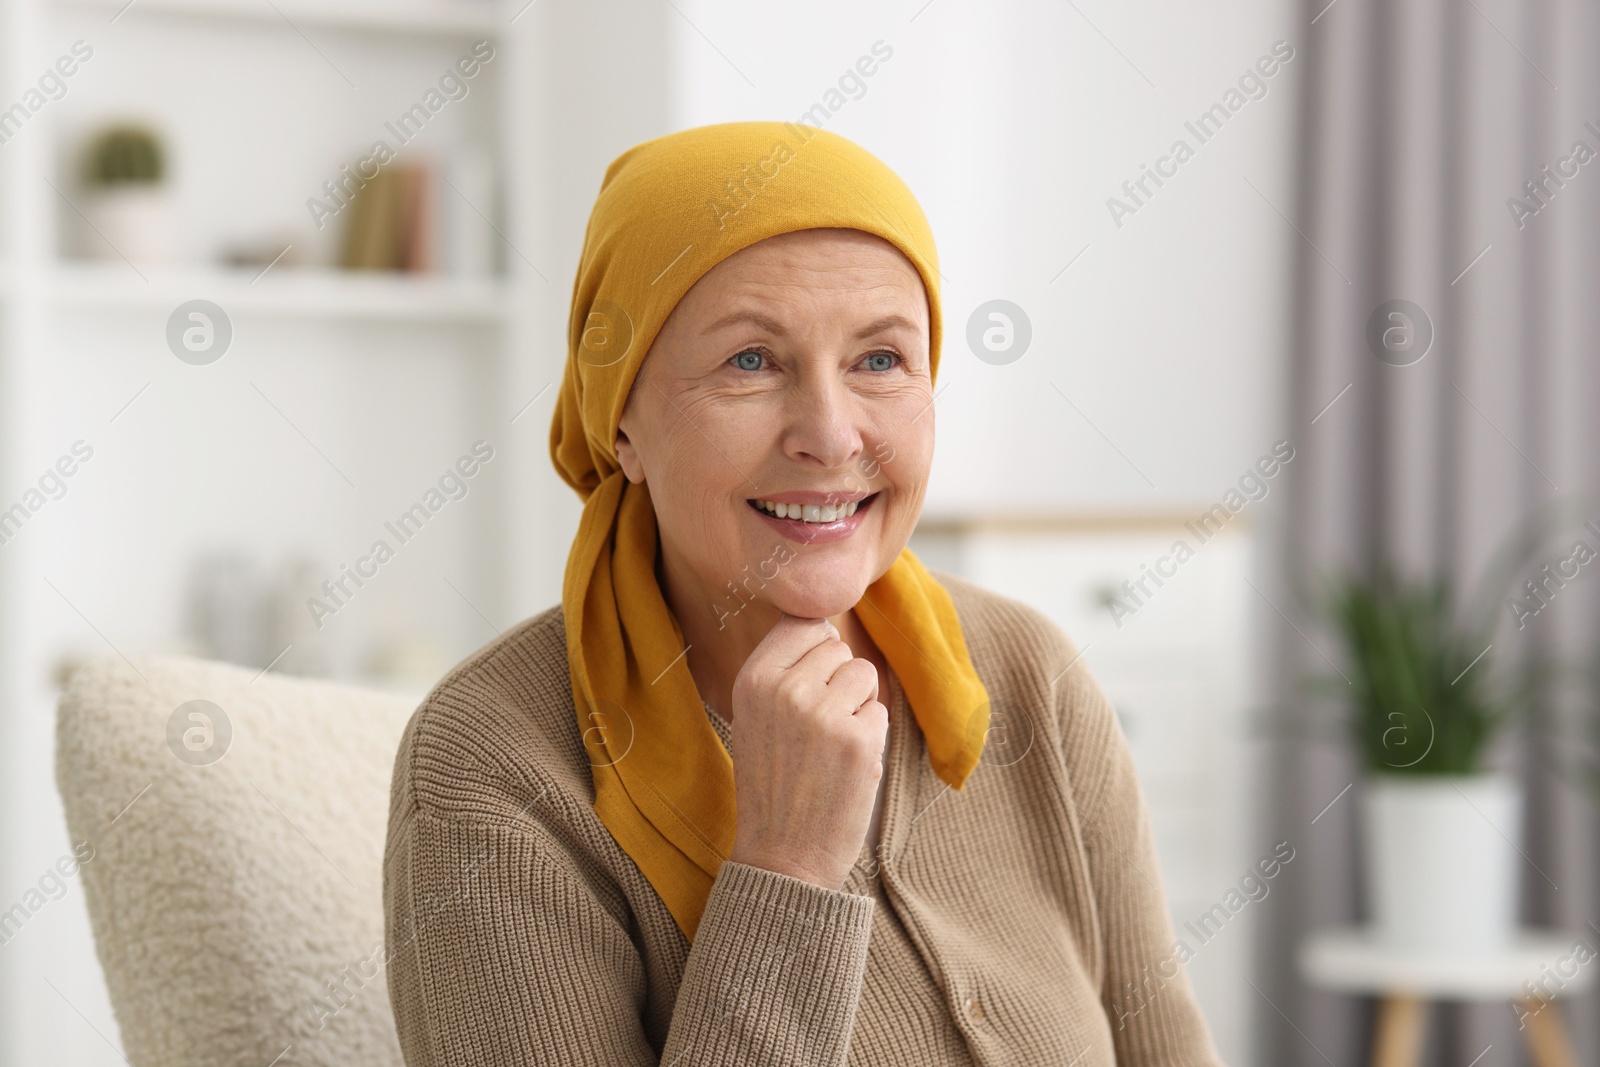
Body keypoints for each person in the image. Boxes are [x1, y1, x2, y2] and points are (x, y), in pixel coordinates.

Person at [383, 121, 1225, 1066]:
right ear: (620, 419)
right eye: (751, 360)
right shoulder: (493, 766)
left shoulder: (1029, 671)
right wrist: (786, 867)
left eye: (879, 360)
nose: (830, 434)